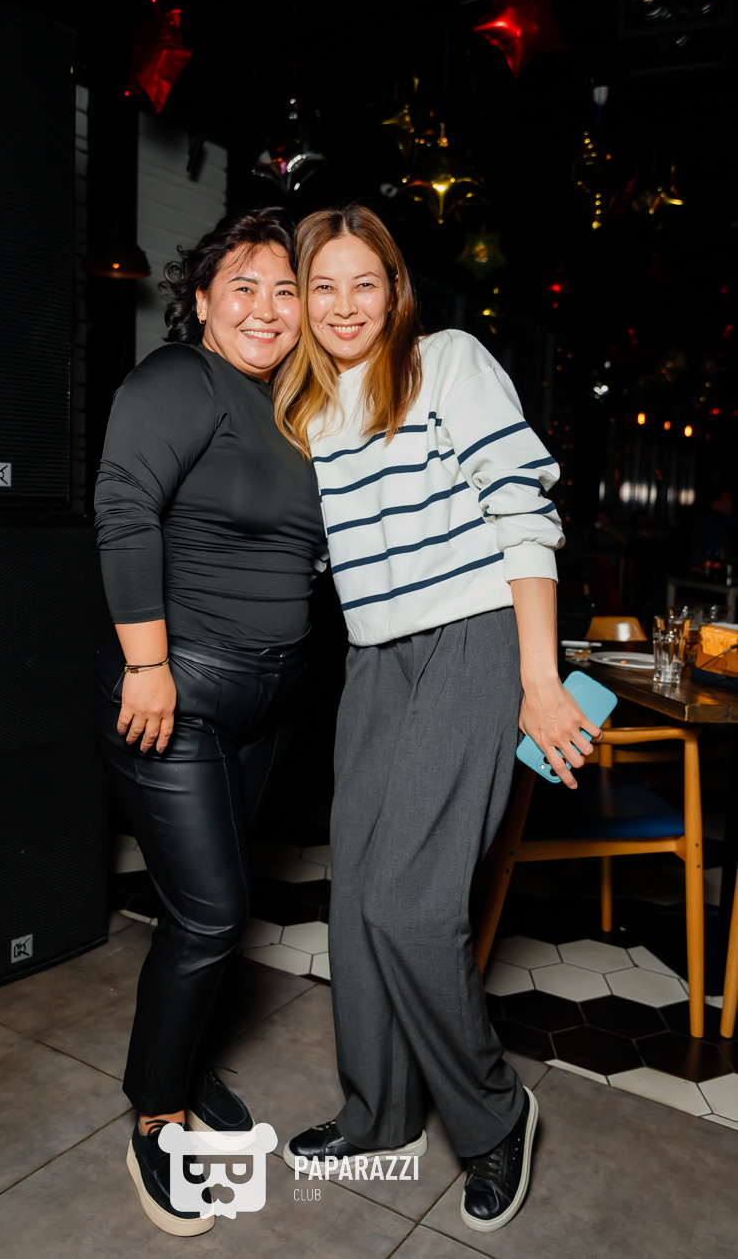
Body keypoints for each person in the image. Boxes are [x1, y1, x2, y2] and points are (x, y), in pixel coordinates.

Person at [273, 204, 600, 1234]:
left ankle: (496, 1114)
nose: (344, 306)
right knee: (359, 898)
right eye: (322, 286)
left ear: (395, 290)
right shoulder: (308, 411)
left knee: (413, 904)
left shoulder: (445, 362)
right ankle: (379, 1112)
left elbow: (522, 510)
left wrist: (540, 680)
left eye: (363, 283)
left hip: (472, 638)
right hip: (374, 662)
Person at [94, 208, 326, 1237]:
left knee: (215, 902)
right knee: (212, 913)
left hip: (267, 704)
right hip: (177, 694)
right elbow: (123, 509)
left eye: (286, 292)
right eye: (244, 287)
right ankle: (157, 1112)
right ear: (201, 299)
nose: (266, 310)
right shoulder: (177, 380)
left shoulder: (293, 407)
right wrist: (147, 667)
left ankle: (185, 1062)